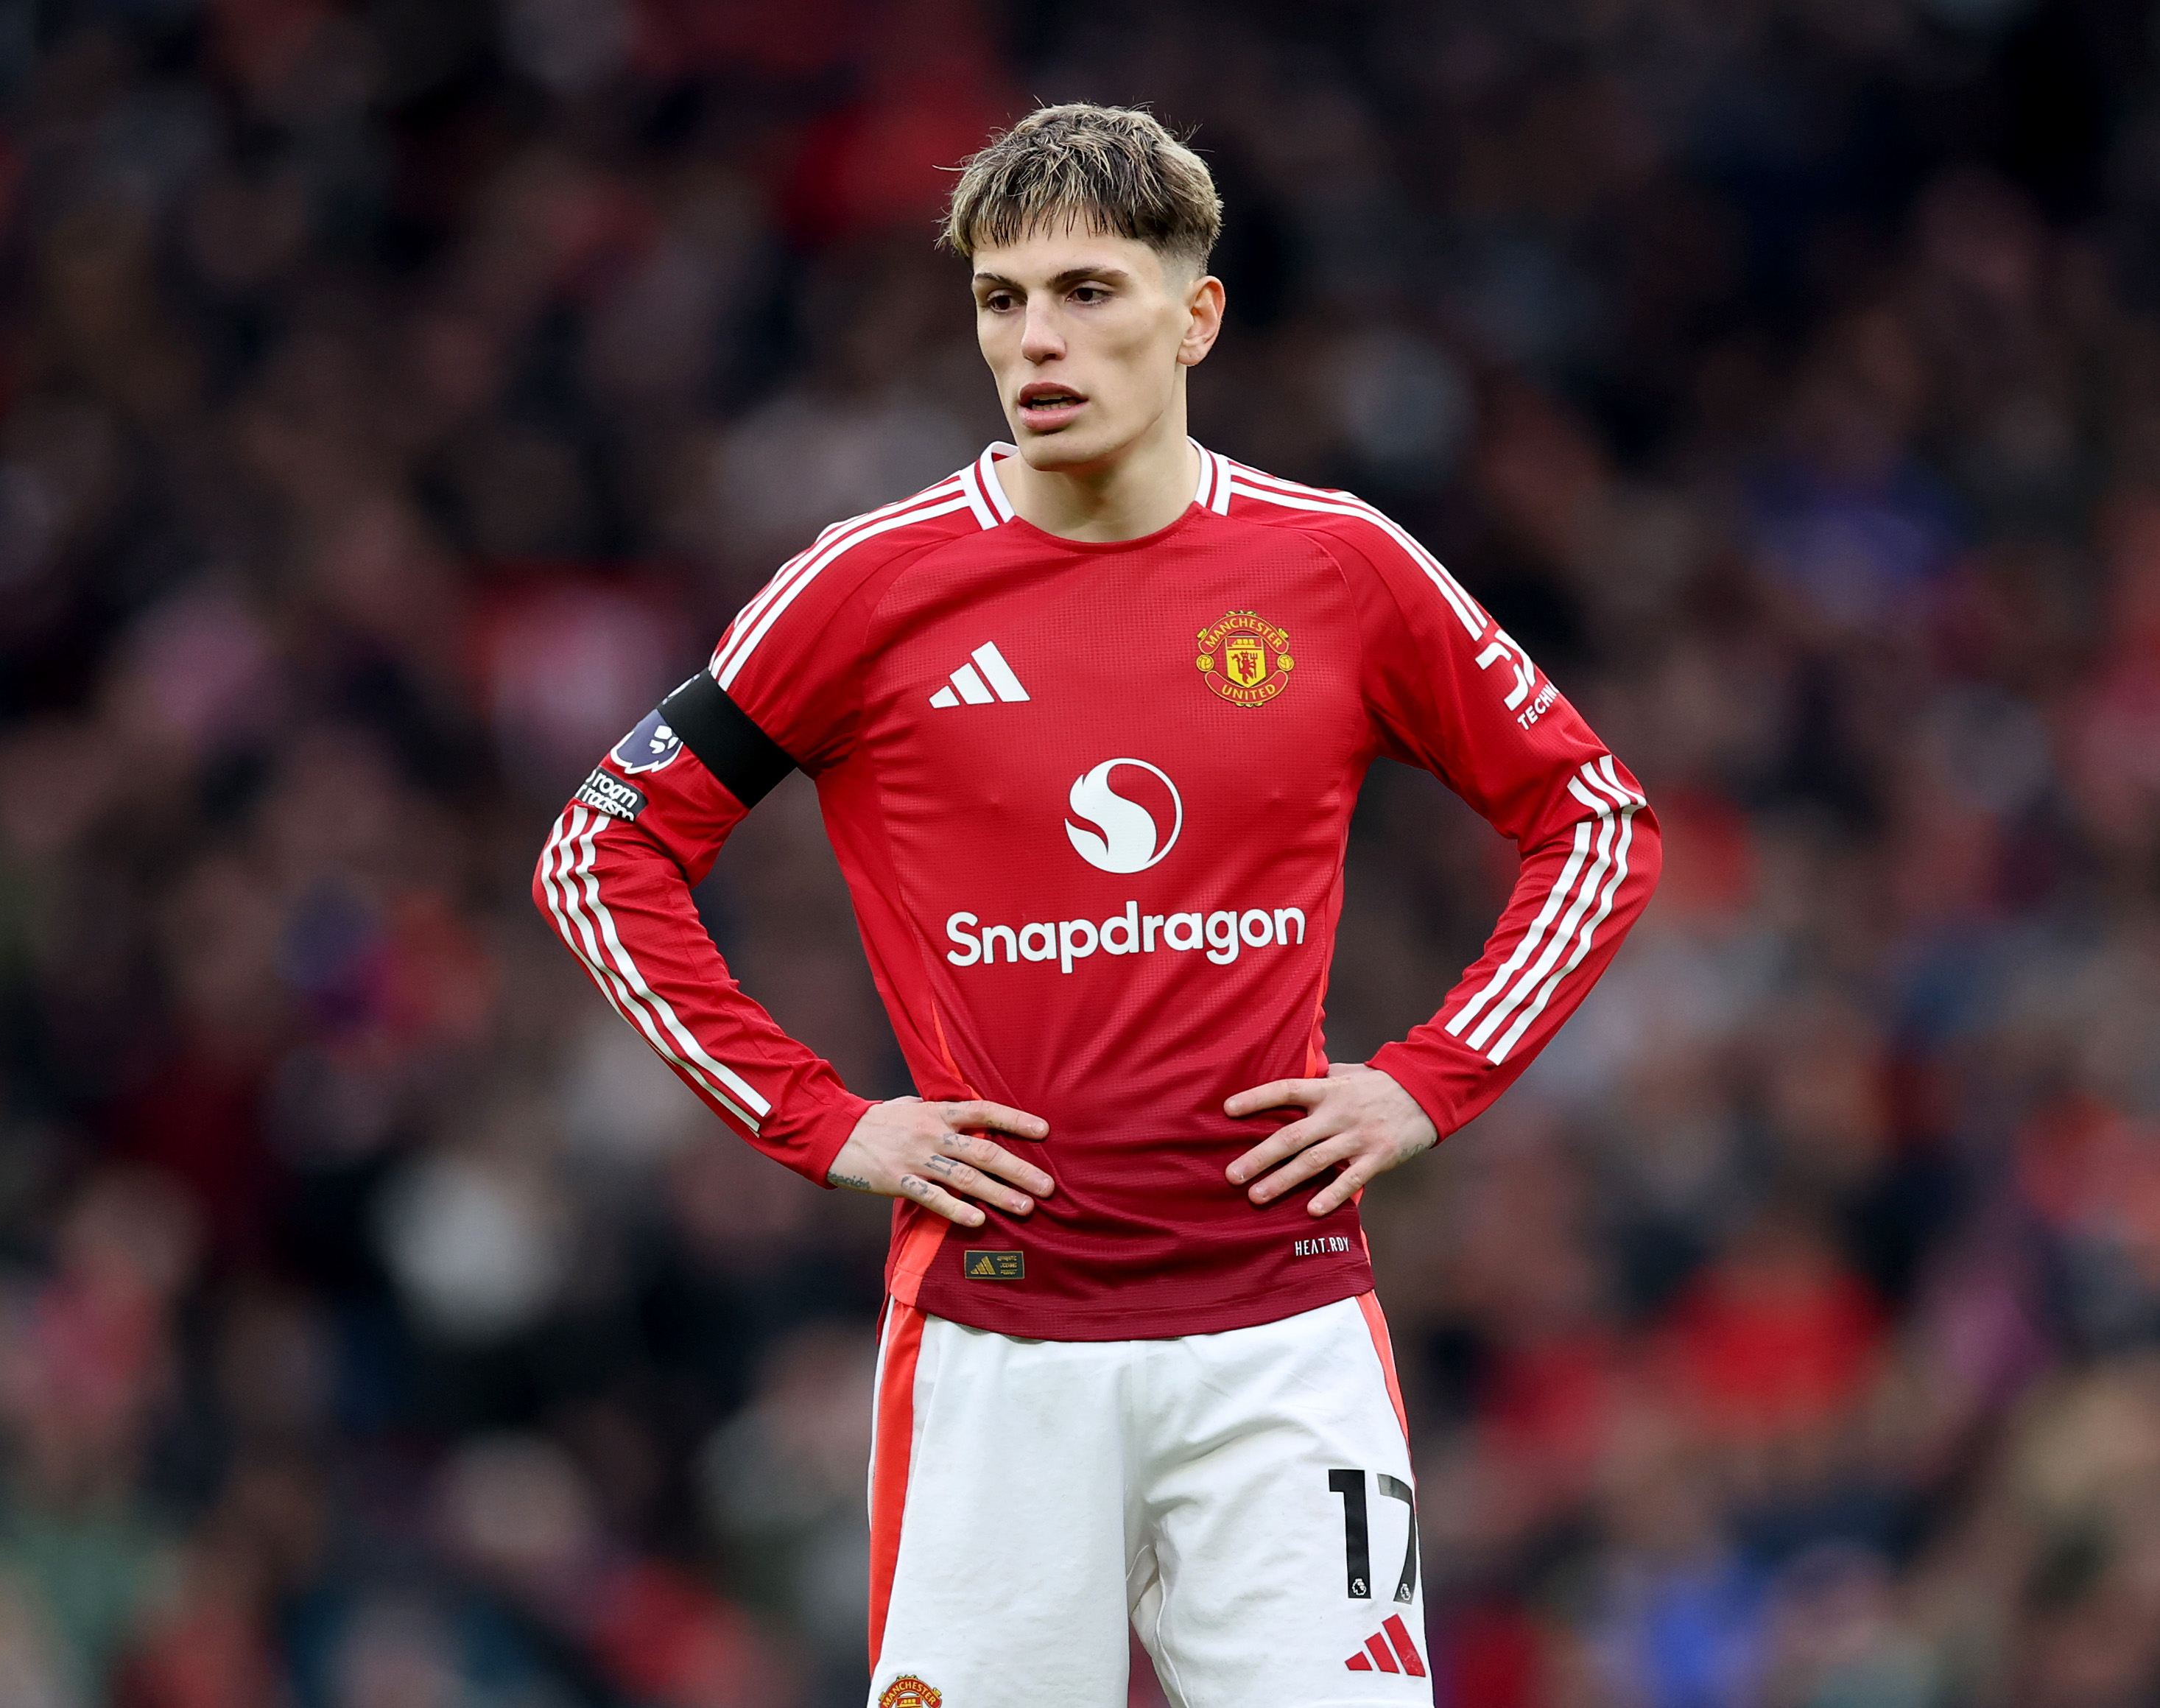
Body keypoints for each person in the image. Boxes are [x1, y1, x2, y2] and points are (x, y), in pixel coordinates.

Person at [534, 103, 1659, 1708]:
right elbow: (602, 844)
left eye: (1087, 291)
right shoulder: (869, 582)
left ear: (1195, 313)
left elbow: (1593, 817)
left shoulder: (1337, 567)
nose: (1036, 340)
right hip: (1000, 1345)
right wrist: (818, 1116)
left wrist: (1428, 1077)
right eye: (1002, 300)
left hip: (1283, 1337)